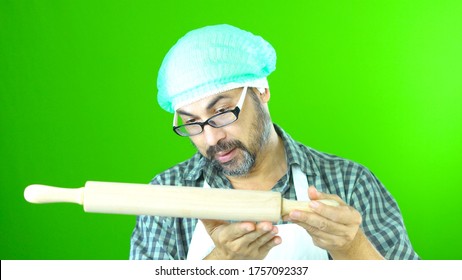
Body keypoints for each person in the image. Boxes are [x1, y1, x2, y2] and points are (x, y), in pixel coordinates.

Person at [129, 24, 419, 260]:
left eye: (221, 112)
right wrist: (222, 263)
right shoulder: (166, 198)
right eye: (192, 122)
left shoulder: (350, 182)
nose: (211, 138)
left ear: (261, 91)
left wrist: (351, 246)